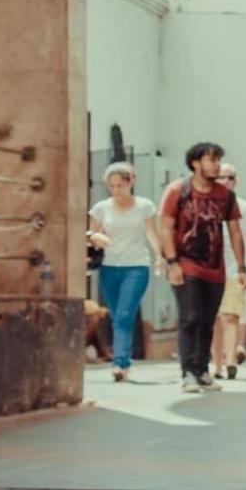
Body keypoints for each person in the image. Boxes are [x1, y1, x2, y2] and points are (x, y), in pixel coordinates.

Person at [158, 143, 246, 393]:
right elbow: (165, 228)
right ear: (196, 163)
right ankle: (188, 372)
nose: (216, 165)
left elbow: (235, 231)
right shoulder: (178, 191)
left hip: (215, 267)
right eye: (211, 160)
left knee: (207, 321)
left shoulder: (225, 195)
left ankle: (202, 370)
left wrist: (242, 267)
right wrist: (172, 262)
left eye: (218, 160)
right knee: (190, 317)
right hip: (186, 263)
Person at [88, 161, 163, 382]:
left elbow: (151, 232)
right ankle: (121, 359)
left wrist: (160, 256)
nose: (116, 190)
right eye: (111, 186)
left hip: (137, 266)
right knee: (116, 316)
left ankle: (121, 363)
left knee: (124, 314)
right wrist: (94, 236)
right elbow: (90, 235)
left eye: (120, 185)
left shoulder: (144, 206)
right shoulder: (101, 208)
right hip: (110, 267)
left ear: (131, 182)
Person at [212, 164, 246, 380]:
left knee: (230, 316)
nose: (225, 181)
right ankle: (216, 365)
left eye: (230, 177)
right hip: (210, 271)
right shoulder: (207, 206)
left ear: (236, 181)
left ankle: (231, 363)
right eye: (221, 177)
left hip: (236, 270)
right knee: (214, 321)